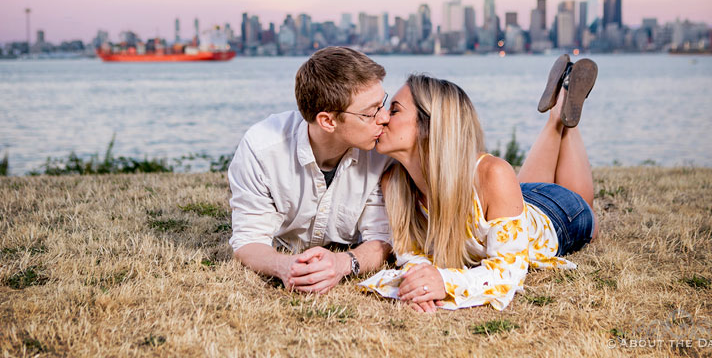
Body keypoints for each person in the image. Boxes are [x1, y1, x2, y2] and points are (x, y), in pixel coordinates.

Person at [359, 55, 598, 312]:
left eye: (394, 110)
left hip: (554, 214)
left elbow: (508, 271)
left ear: (430, 125)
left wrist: (445, 282)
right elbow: (411, 256)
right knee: (518, 188)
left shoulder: (492, 173)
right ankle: (560, 106)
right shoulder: (393, 183)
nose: (381, 117)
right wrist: (420, 283)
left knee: (587, 209)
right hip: (511, 204)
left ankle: (564, 111)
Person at [228, 47, 393, 294]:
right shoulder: (261, 148)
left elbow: (382, 239)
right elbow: (247, 241)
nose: (385, 117)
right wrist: (284, 266)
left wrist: (343, 263)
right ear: (328, 121)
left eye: (383, 104)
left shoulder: (382, 152)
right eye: (371, 113)